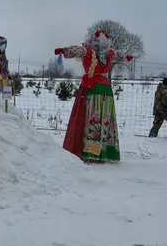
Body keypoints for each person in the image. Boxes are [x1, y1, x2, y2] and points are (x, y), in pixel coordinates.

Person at [54, 30, 132, 162]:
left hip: (98, 89)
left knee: (97, 118)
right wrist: (65, 51)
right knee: (98, 118)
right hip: (99, 88)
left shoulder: (99, 53)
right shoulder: (97, 53)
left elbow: (78, 51)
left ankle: (97, 151)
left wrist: (126, 57)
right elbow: (78, 51)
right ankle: (99, 152)